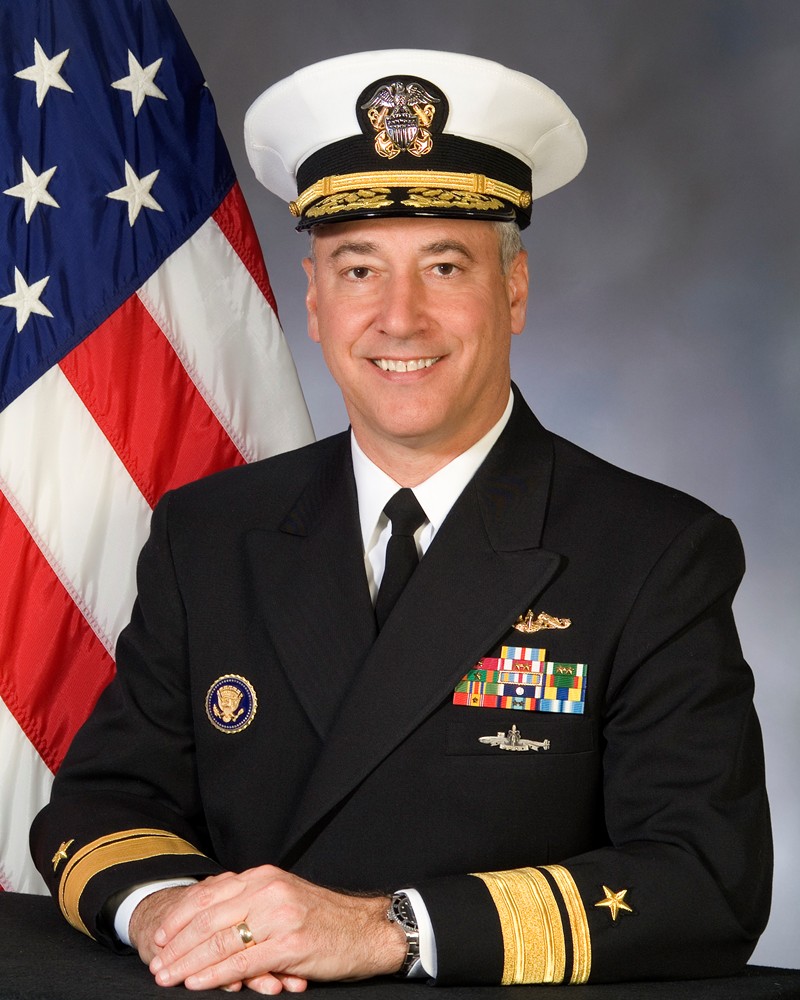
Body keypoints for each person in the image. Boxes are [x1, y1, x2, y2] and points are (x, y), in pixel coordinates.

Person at [30, 49, 771, 993]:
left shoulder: (654, 552)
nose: (399, 318)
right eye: (358, 269)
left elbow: (705, 878)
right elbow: (102, 804)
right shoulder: (208, 535)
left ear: (515, 290)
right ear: (314, 299)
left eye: (445, 266)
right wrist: (173, 913)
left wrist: (390, 930)